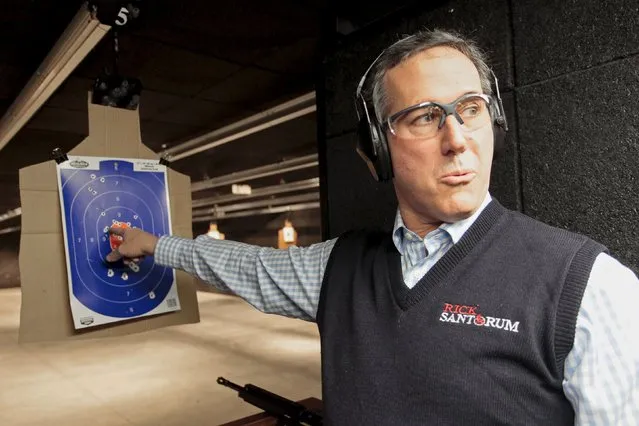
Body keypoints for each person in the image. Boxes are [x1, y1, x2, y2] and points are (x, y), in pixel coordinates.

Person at [106, 28, 639, 425]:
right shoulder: (337, 270)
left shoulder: (591, 287)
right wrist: (153, 244)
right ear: (376, 151)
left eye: (471, 108)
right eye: (426, 116)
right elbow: (244, 265)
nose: (457, 138)